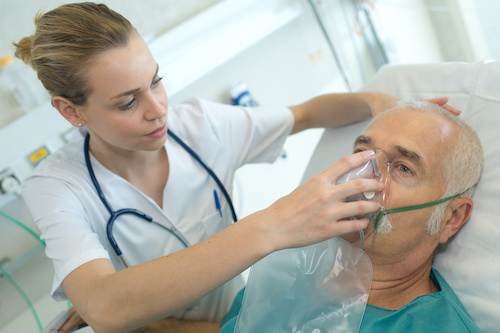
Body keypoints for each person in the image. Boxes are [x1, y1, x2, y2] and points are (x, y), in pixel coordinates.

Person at [16, 3, 457, 332]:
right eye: (127, 102)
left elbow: (304, 114)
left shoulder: (201, 124)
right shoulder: (56, 186)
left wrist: (378, 102)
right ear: (71, 111)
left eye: (156, 81)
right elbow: (105, 309)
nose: (158, 111)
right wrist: (275, 226)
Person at [220, 100, 483, 332]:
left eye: (404, 167)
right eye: (362, 154)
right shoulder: (292, 267)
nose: (362, 177)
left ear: (452, 218)